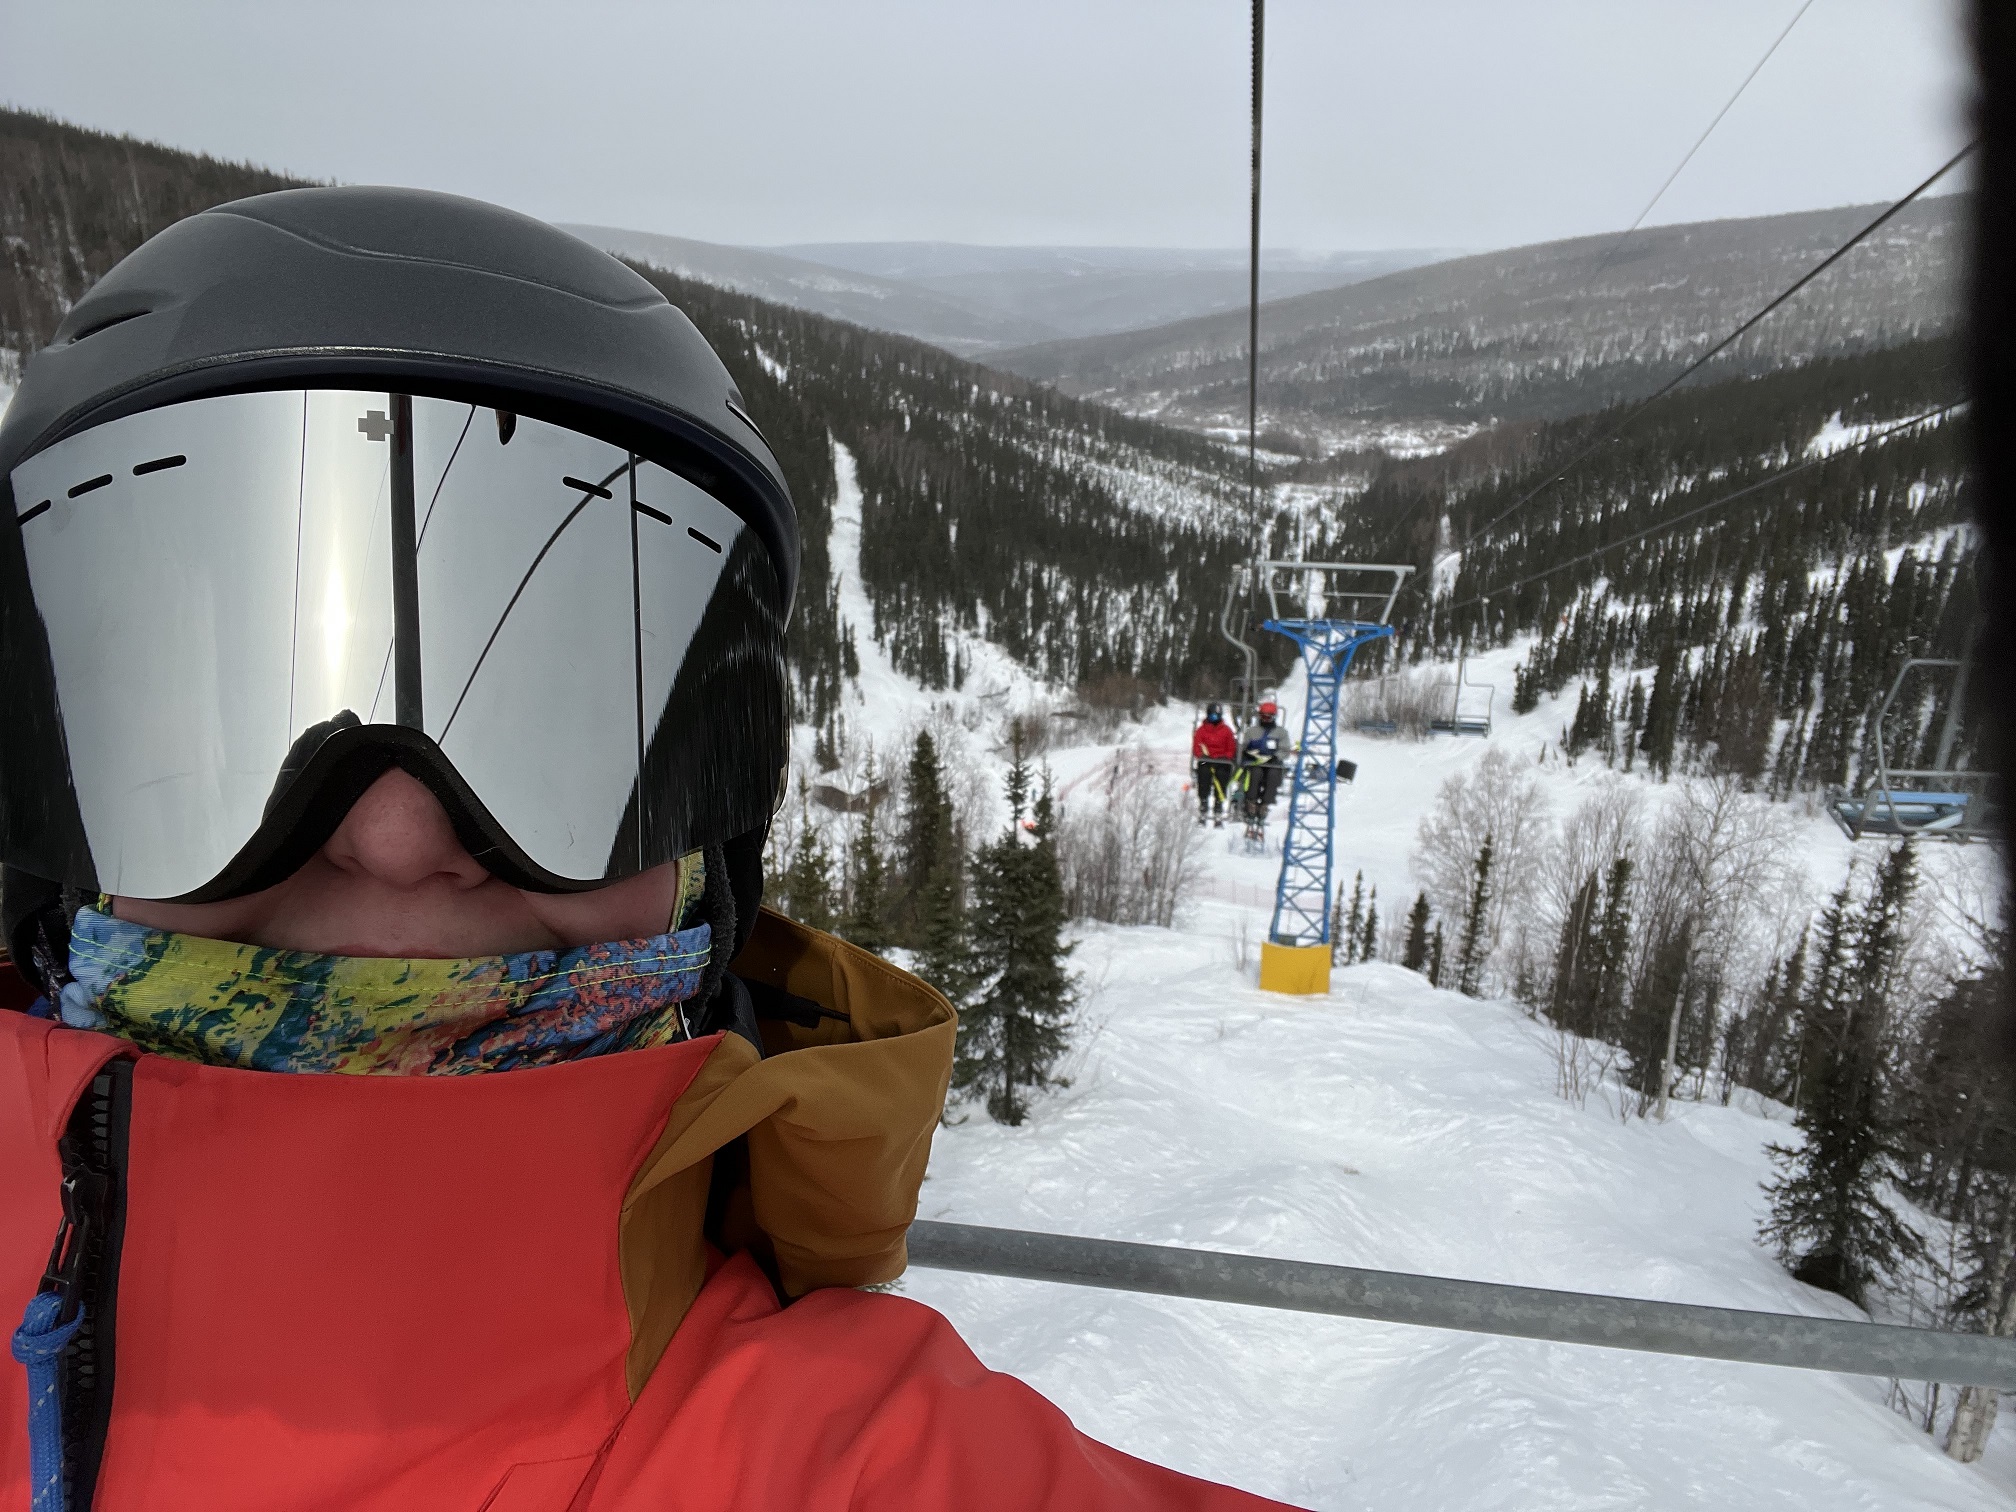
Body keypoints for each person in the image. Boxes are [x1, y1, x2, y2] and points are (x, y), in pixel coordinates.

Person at [0, 188, 1300, 1511]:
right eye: (228, 735)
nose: (397, 838)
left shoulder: (852, 1467)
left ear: (711, 855)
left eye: (562, 735)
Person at [1237, 701, 1289, 827]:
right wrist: (1246, 753)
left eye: (1268, 717)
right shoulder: (1252, 731)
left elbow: (1285, 749)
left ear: (1273, 717)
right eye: (1263, 716)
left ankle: (1265, 804)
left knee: (1274, 775)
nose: (1265, 720)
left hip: (1272, 764)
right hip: (1255, 763)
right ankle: (1251, 802)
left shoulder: (1280, 732)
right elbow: (1244, 746)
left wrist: (1276, 757)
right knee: (1255, 774)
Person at [1190, 701, 1238, 825]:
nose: (1214, 719)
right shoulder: (1202, 730)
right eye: (1211, 716)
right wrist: (1202, 755)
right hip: (1206, 760)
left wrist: (1225, 756)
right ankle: (1204, 802)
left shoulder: (1226, 731)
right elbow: (1197, 747)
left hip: (1221, 761)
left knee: (1222, 775)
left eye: (1216, 716)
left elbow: (1231, 748)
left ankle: (1218, 803)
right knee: (1204, 775)